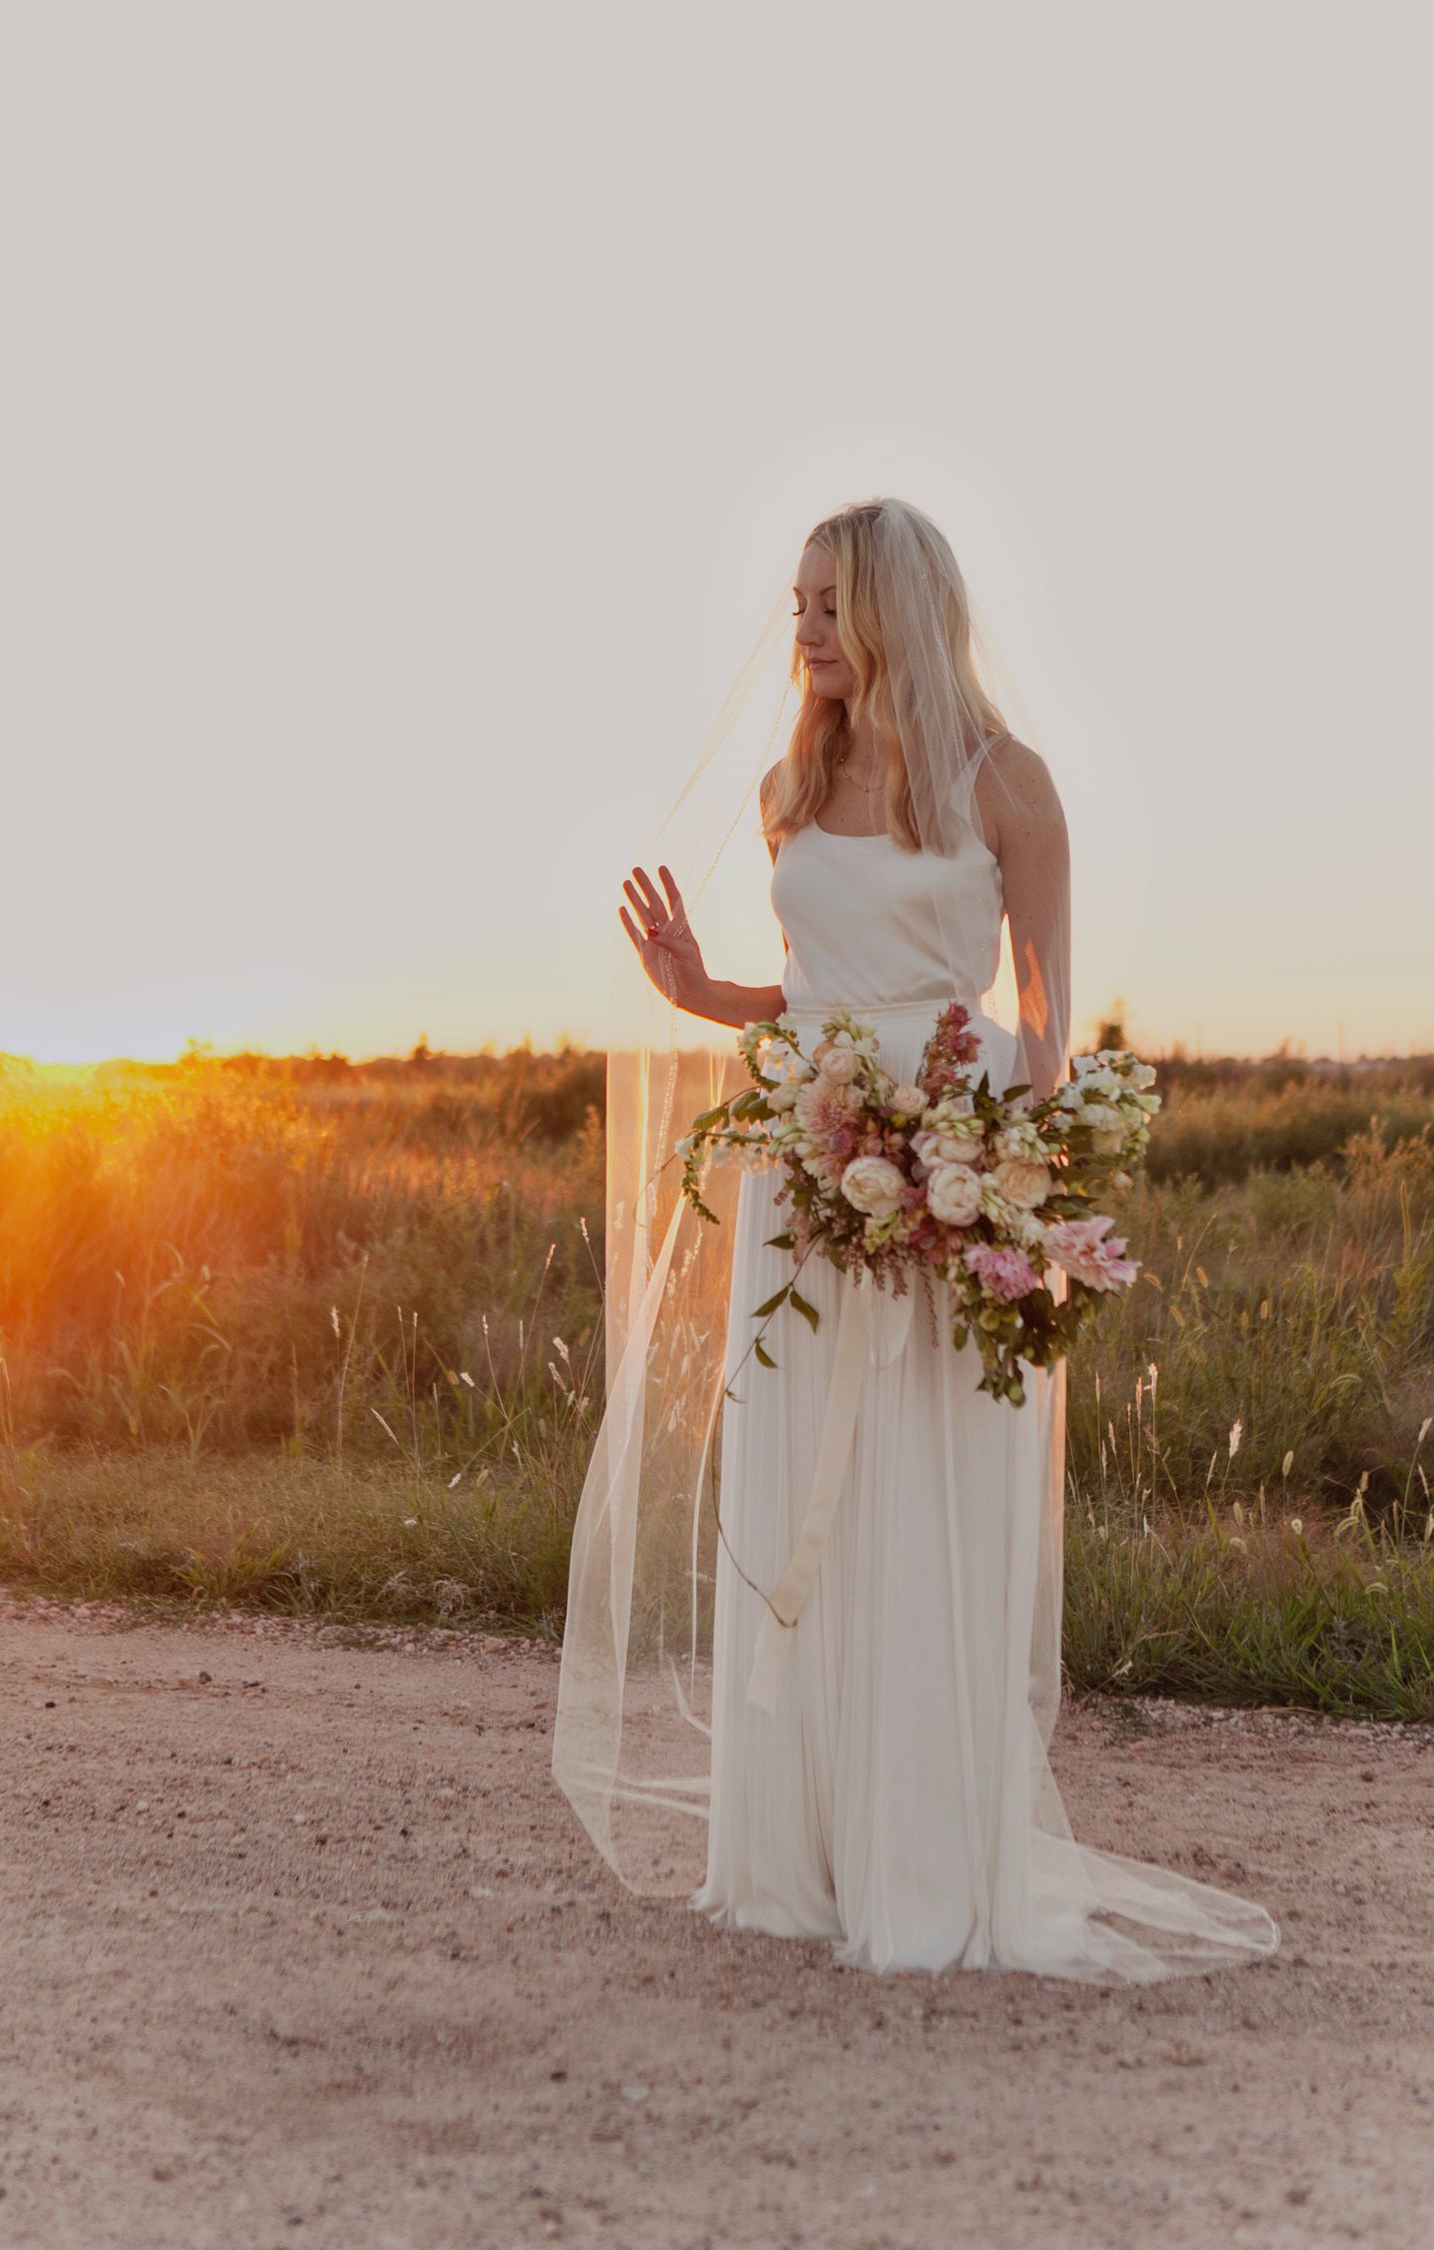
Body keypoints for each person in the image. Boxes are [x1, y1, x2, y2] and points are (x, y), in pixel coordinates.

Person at [555, 496, 1280, 1984]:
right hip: (804, 1172)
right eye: (799, 600)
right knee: (800, 1493)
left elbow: (1048, 1014)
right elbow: (817, 988)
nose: (803, 626)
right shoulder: (790, 781)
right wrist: (707, 999)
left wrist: (1005, 1190)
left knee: (922, 1500)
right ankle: (798, 1860)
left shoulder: (1005, 783)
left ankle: (927, 1864)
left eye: (828, 601)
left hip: (949, 1178)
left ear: (894, 604)